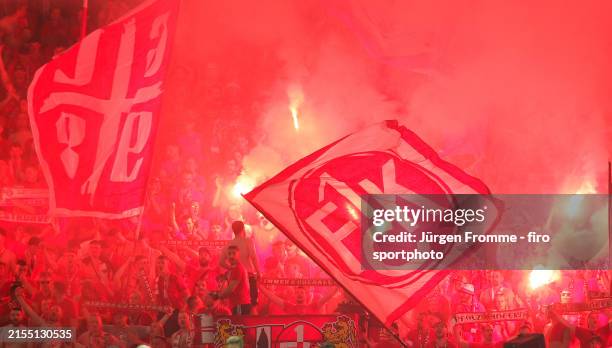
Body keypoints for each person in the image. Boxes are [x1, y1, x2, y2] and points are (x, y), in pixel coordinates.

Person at [219, 221, 260, 308]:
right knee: (252, 305)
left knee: (237, 303)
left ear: (233, 231)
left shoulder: (228, 244)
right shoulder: (248, 241)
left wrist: (231, 268)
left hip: (235, 278)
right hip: (248, 276)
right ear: (243, 229)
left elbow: (221, 262)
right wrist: (258, 272)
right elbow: (254, 258)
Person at [218, 246, 250, 315]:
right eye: (229, 254)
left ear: (239, 255)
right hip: (239, 304)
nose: (231, 256)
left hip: (240, 304)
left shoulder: (237, 268)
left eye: (233, 253)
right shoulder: (234, 269)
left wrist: (217, 297)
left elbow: (230, 289)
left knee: (239, 324)